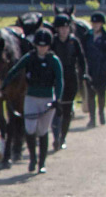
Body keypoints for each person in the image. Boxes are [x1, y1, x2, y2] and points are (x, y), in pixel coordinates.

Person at [5, 28, 63, 174]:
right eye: (39, 45)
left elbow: (59, 81)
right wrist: (5, 84)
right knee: (30, 128)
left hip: (47, 98)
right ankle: (32, 159)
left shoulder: (54, 61)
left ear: (48, 46)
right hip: (31, 97)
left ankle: (42, 163)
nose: (41, 48)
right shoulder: (29, 58)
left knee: (43, 130)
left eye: (44, 46)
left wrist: (57, 99)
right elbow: (15, 69)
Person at [47, 14, 87, 149]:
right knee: (56, 109)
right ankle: (55, 137)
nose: (64, 30)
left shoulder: (74, 42)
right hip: (55, 79)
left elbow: (81, 59)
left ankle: (62, 136)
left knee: (67, 109)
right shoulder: (53, 42)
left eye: (66, 28)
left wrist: (84, 74)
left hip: (70, 79)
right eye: (61, 28)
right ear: (57, 29)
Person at [84, 12, 106, 126]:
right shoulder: (87, 36)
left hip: (102, 69)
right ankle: (92, 118)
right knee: (90, 94)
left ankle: (101, 113)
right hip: (90, 68)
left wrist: (103, 61)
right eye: (94, 23)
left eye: (97, 23)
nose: (95, 25)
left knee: (101, 92)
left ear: (102, 24)